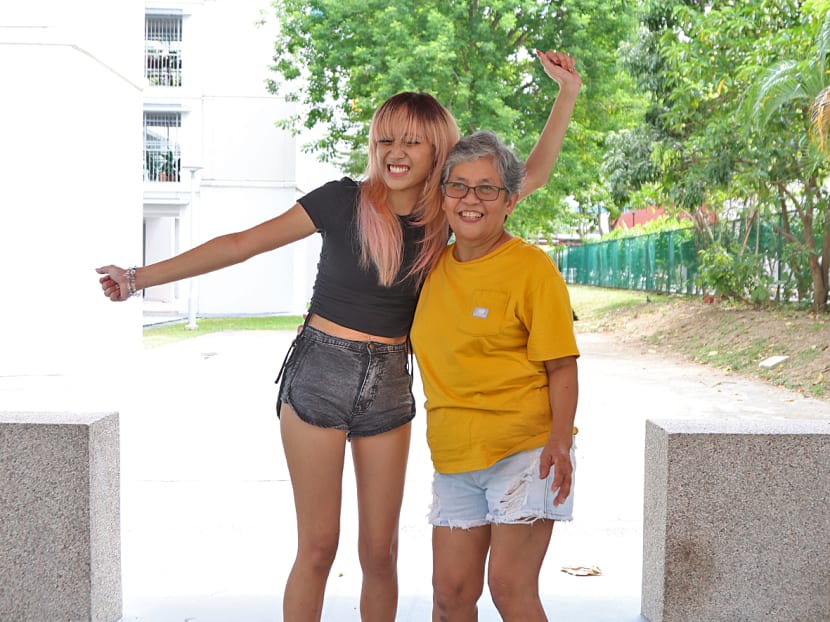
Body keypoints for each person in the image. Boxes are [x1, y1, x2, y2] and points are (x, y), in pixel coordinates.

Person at [97, 49, 578, 622]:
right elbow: (239, 243)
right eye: (385, 140)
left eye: (411, 142)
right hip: (319, 374)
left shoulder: (447, 214)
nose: (395, 153)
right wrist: (137, 278)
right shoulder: (341, 200)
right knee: (319, 547)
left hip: (389, 387)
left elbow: (532, 174)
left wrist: (566, 94)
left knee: (381, 552)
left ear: (439, 152)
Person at [410, 129, 581, 620]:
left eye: (487, 188)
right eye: (458, 186)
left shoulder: (531, 269)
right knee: (450, 595)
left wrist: (559, 442)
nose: (471, 199)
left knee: (509, 588)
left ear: (509, 201)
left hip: (525, 452)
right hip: (454, 454)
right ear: (442, 197)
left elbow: (561, 367)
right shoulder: (432, 266)